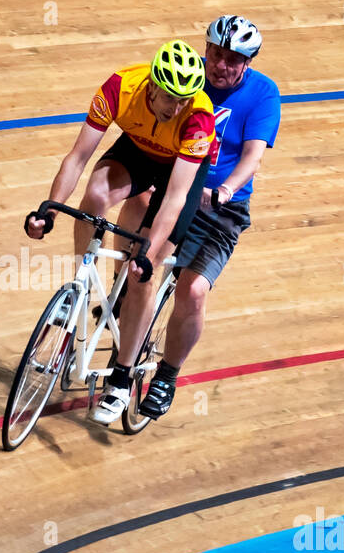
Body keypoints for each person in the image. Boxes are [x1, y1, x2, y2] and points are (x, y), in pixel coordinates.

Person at [24, 39, 216, 425]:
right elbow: (78, 156)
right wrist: (48, 209)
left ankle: (122, 379)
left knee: (145, 270)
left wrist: (148, 253)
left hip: (178, 172)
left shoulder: (198, 117)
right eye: (170, 98)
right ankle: (79, 288)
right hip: (139, 150)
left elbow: (176, 197)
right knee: (94, 194)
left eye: (184, 100)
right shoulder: (120, 86)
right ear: (152, 85)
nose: (176, 108)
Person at [134, 14, 282, 419]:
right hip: (175, 188)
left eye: (232, 59)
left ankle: (166, 375)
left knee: (194, 290)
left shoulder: (264, 94)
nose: (220, 65)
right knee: (139, 256)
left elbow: (253, 155)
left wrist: (226, 190)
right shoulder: (186, 78)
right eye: (216, 54)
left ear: (247, 63)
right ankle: (121, 302)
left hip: (221, 206)